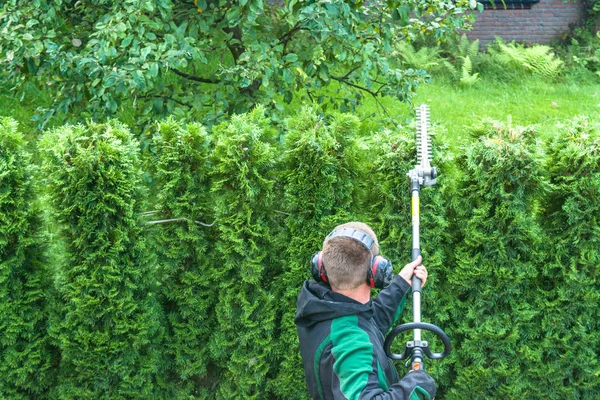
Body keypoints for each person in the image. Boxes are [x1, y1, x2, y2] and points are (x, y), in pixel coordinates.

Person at [295, 221, 436, 400]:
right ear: (376, 272)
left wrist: (401, 284)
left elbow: (368, 321)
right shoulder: (351, 343)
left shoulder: (324, 309)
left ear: (320, 266)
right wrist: (418, 387)